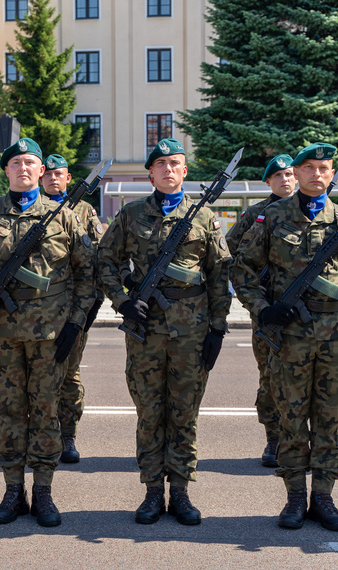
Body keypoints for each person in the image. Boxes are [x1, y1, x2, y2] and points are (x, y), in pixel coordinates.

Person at [0, 138, 95, 527]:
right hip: (1, 334)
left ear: (42, 171)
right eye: (16, 163)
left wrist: (75, 323)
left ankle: (43, 491)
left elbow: (87, 274)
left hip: (50, 335)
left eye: (31, 163)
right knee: (10, 414)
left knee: (45, 413)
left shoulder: (64, 216)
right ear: (7, 170)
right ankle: (13, 491)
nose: (23, 168)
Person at [231, 142, 338, 531]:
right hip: (289, 338)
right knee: (292, 418)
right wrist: (263, 310)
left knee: (329, 419)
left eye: (323, 167)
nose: (315, 174)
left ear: (331, 174)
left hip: (337, 339)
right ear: (297, 173)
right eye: (307, 167)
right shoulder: (272, 217)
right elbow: (242, 271)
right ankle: (295, 497)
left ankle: (324, 497)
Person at [98, 138, 231, 526]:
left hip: (192, 330)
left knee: (185, 413)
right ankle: (153, 490)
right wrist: (122, 300)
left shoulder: (205, 218)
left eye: (176, 163)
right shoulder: (131, 214)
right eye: (161, 164)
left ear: (184, 171)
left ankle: (183, 491)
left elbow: (220, 277)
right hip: (146, 328)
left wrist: (218, 329)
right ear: (150, 173)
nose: (169, 170)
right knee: (150, 412)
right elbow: (104, 259)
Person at [226, 154, 295, 468]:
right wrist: (257, 293)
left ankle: (299, 440)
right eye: (278, 175)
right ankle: (273, 439)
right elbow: (230, 253)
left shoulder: (311, 212)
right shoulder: (255, 215)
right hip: (267, 310)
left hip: (304, 313)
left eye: (290, 174)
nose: (285, 179)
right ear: (268, 182)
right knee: (269, 376)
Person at [40, 153, 104, 464]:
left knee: (70, 373)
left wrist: (93, 304)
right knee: (38, 374)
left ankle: (67, 434)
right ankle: (41, 434)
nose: (54, 178)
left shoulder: (84, 210)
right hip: (36, 310)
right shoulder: (31, 209)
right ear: (41, 177)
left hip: (73, 308)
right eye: (49, 174)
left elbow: (99, 257)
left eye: (60, 174)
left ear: (68, 178)